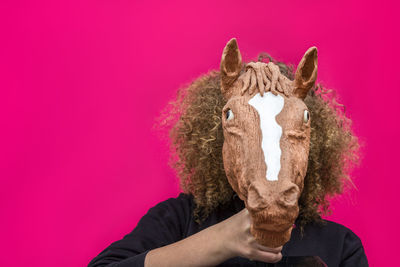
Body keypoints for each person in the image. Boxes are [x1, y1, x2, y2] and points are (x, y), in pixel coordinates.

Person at [87, 52, 368, 267]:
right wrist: (220, 240)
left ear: (310, 144)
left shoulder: (341, 248)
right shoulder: (179, 221)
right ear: (221, 142)